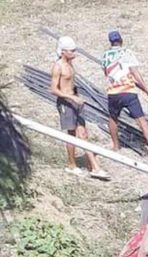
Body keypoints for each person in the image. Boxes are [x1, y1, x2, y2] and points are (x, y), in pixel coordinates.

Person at [50, 36, 109, 180]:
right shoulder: (58, 66)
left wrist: (77, 96)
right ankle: (72, 164)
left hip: (75, 101)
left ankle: (94, 167)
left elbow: (70, 84)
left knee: (83, 134)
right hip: (66, 103)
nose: (74, 53)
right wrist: (71, 97)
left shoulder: (70, 64)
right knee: (72, 135)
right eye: (71, 50)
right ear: (63, 51)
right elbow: (53, 89)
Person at [101, 31, 148, 161]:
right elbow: (134, 73)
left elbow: (108, 75)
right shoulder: (127, 53)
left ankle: (116, 146)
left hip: (113, 93)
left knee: (113, 118)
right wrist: (147, 90)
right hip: (128, 91)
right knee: (142, 121)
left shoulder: (105, 56)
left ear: (110, 42)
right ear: (121, 40)